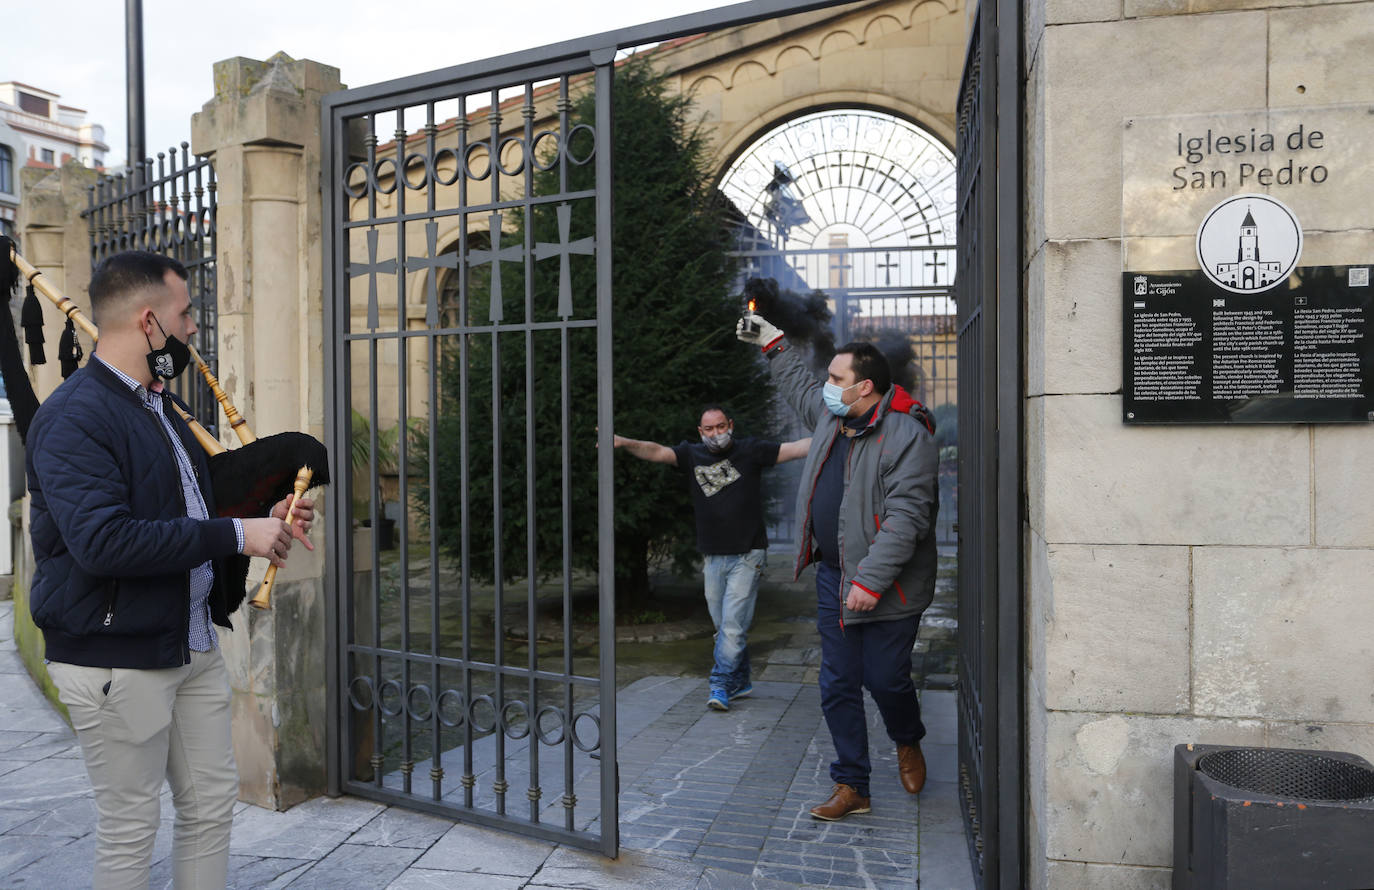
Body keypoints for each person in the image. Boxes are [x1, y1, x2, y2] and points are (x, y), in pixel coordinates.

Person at [26, 250, 314, 889]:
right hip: (114, 657)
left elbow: (184, 509)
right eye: (186, 315)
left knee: (210, 807)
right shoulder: (74, 417)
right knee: (131, 829)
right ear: (150, 321)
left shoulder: (157, 406)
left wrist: (262, 519)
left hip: (187, 642)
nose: (193, 330)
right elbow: (104, 542)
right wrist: (239, 532)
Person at [737, 310, 939, 821]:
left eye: (837, 379)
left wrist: (870, 580)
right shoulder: (832, 417)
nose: (828, 386)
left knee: (886, 680)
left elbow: (906, 518)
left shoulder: (907, 436)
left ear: (864, 387)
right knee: (837, 682)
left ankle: (907, 738)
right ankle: (853, 785)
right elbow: (801, 387)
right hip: (834, 577)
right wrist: (772, 343)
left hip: (890, 588)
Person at [613, 406, 809, 711]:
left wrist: (836, 432)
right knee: (725, 627)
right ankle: (741, 681)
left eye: (721, 426)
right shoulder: (691, 455)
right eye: (709, 429)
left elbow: (796, 449)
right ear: (700, 432)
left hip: (748, 554)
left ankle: (719, 684)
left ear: (730, 425)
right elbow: (656, 452)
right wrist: (624, 443)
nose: (716, 434)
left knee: (731, 628)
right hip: (714, 557)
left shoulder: (751, 451)